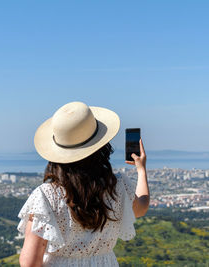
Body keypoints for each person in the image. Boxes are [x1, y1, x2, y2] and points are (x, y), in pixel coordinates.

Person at [17, 101, 150, 267]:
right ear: (101, 145)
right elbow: (141, 207)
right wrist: (141, 170)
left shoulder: (46, 196)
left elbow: (29, 263)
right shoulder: (117, 186)